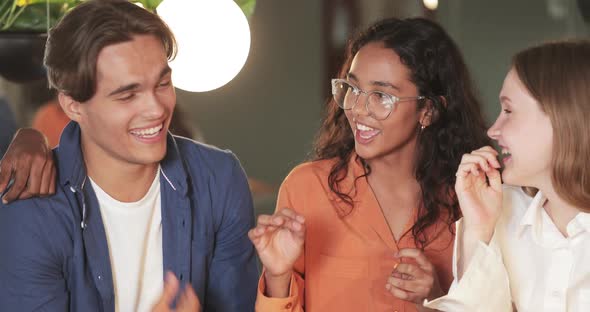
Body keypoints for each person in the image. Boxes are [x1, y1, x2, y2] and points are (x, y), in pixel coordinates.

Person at [0, 1, 258, 311]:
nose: (157, 109)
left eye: (163, 83)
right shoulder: (32, 209)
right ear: (73, 106)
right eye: (128, 94)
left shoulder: (219, 180)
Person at [248, 17, 490, 311]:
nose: (358, 110)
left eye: (380, 95)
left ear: (427, 110)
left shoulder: (470, 204)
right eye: (352, 89)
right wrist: (277, 274)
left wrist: (437, 297)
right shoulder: (306, 187)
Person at [425, 40, 590, 312]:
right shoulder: (500, 214)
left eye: (509, 111)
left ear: (564, 118)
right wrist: (479, 230)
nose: (493, 130)